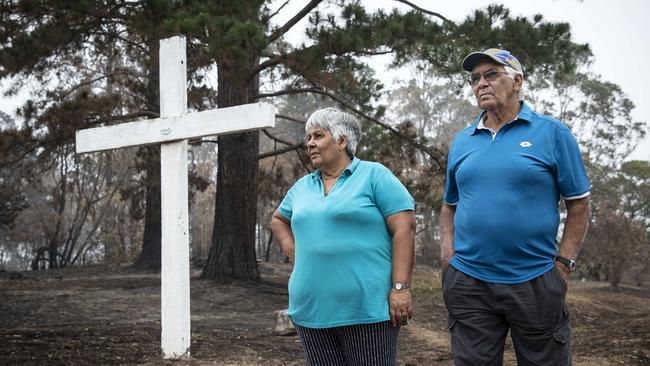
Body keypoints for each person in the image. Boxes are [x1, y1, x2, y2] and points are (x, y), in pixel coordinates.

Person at [440, 48, 591, 366]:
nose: (481, 83)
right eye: (475, 78)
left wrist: (562, 266)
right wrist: (448, 260)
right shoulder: (463, 141)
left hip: (535, 280)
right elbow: (449, 206)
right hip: (470, 282)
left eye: (491, 74)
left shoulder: (552, 134)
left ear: (517, 81)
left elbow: (579, 205)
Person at [271, 107, 416, 366]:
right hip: (310, 308)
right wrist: (292, 250)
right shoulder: (303, 186)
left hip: (366, 308)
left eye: (318, 136)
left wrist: (400, 288)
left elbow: (405, 228)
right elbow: (278, 219)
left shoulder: (375, 176)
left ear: (341, 141)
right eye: (308, 138)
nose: (310, 144)